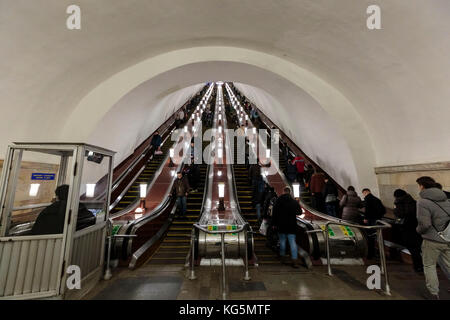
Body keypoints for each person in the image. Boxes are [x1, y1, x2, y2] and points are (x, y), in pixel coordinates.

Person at [416, 176, 450, 300]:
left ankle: (434, 293)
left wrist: (418, 231)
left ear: (422, 186)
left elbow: (424, 224)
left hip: (431, 240)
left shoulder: (422, 202)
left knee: (429, 266)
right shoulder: (446, 199)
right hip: (447, 238)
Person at [393, 189, 423, 273]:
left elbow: (400, 215)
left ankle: (418, 267)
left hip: (407, 229)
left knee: (413, 249)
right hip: (416, 227)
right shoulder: (413, 201)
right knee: (420, 247)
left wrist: (395, 210)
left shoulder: (398, 203)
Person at [272, 186, 302, 268]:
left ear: (283, 192)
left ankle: (283, 258)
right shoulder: (294, 202)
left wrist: (274, 224)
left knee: (282, 241)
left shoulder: (278, 201)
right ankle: (295, 261)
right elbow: (299, 212)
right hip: (291, 225)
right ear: (290, 192)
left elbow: (274, 213)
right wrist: (297, 204)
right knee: (292, 243)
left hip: (281, 225)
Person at [361, 188, 386, 259]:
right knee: (379, 237)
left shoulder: (367, 199)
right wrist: (378, 217)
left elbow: (367, 210)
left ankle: (370, 255)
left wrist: (366, 218)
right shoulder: (376, 199)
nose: (363, 195)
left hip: (371, 220)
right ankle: (381, 254)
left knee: (370, 237)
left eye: (363, 193)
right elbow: (383, 210)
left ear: (365, 192)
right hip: (378, 220)